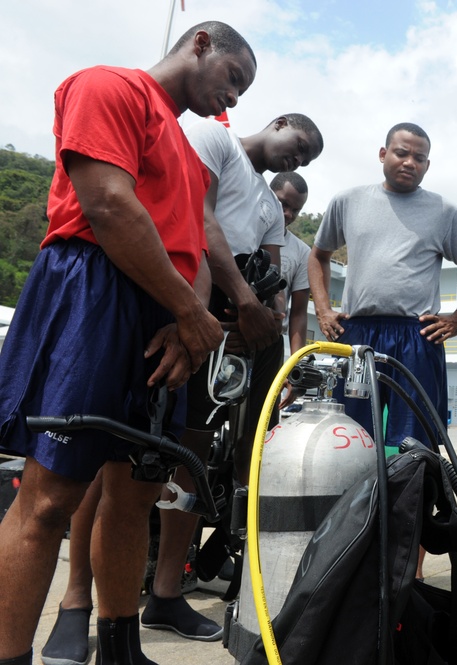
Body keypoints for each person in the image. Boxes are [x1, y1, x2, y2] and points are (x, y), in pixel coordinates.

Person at [0, 21, 253, 665]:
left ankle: (121, 646)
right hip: (93, 290)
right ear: (200, 43)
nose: (231, 102)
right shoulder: (107, 86)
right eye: (232, 78)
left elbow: (194, 246)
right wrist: (187, 311)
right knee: (51, 495)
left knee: (137, 491)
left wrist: (188, 321)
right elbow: (109, 206)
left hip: (162, 319)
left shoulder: (189, 157)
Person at [39, 114, 324, 657]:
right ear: (279, 122)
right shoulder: (215, 139)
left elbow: (264, 276)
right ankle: (75, 601)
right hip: (167, 307)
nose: (297, 158)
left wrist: (252, 316)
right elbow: (200, 218)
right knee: (108, 457)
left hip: (216, 333)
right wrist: (241, 301)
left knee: (187, 457)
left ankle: (167, 592)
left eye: (308, 160)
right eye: (299, 144)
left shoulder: (269, 208)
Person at [308, 122, 457, 446]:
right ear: (383, 154)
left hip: (417, 336)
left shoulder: (446, 211)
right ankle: (358, 499)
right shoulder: (348, 200)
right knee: (350, 438)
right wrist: (324, 310)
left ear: (427, 165)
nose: (410, 162)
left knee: (415, 444)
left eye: (420, 158)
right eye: (401, 153)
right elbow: (318, 256)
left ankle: (412, 499)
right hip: (358, 336)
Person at [272, 172, 312, 361]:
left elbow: (298, 314)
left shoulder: (303, 252)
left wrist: (296, 365)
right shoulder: (245, 232)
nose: (288, 214)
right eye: (283, 204)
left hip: (271, 343)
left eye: (296, 210)